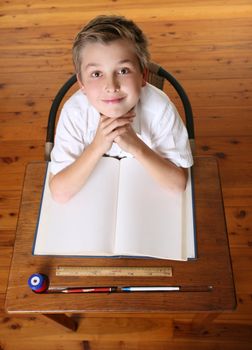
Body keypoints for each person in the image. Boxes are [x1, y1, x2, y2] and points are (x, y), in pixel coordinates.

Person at [49, 15, 193, 203]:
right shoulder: (74, 113)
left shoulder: (160, 109)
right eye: (97, 74)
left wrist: (136, 146)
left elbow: (177, 186)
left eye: (123, 70)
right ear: (81, 83)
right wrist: (96, 147)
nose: (111, 86)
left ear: (143, 74)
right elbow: (59, 193)